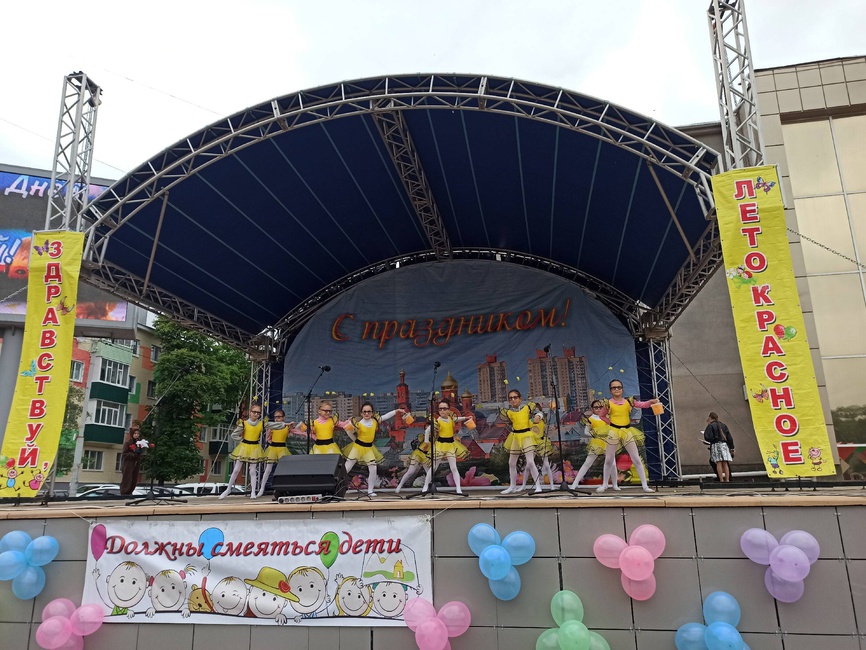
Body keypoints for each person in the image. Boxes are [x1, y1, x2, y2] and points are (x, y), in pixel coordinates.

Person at [598, 380, 658, 493]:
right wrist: (611, 423)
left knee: (636, 458)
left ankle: (645, 486)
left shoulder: (628, 402)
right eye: (614, 388)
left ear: (622, 389)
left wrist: (651, 402)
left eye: (619, 387)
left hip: (627, 431)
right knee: (609, 459)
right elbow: (602, 415)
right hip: (614, 431)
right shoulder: (608, 403)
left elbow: (643, 405)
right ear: (610, 390)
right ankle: (605, 484)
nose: (617, 389)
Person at [343, 402, 404, 497]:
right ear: (361, 413)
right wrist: (355, 440)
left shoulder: (375, 420)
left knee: (373, 468)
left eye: (369, 411)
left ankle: (370, 490)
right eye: (364, 412)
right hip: (358, 447)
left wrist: (397, 411)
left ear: (372, 413)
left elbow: (385, 416)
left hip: (368, 448)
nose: (366, 413)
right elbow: (348, 431)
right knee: (347, 467)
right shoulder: (358, 423)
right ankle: (337, 486)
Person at [420, 399, 472, 494]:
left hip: (451, 444)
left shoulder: (451, 418)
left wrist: (466, 418)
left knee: (454, 467)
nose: (442, 411)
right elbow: (427, 431)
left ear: (448, 410)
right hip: (440, 445)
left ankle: (458, 488)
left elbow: (457, 419)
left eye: (444, 409)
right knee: (434, 467)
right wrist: (426, 442)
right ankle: (425, 486)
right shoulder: (438, 421)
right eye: (440, 409)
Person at [498, 390, 543, 494]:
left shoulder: (527, 408)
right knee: (511, 462)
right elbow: (509, 422)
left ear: (520, 399)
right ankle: (512, 486)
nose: (513, 400)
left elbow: (539, 411)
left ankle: (538, 486)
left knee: (530, 461)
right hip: (515, 436)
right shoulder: (508, 412)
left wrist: (538, 416)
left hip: (526, 435)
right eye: (511, 398)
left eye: (515, 397)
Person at [569, 400, 618, 492]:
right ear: (592, 409)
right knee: (587, 463)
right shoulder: (590, 419)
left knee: (613, 464)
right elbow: (586, 432)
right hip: (596, 443)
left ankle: (615, 484)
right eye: (596, 407)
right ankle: (575, 484)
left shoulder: (607, 417)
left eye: (600, 407)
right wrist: (595, 435)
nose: (599, 409)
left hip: (608, 442)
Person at [220, 404, 264, 499]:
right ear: (250, 412)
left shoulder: (261, 424)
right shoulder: (244, 423)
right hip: (244, 447)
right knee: (236, 469)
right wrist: (241, 440)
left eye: (258, 413)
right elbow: (234, 435)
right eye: (254, 412)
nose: (256, 414)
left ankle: (253, 492)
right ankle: (228, 489)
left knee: (253, 471)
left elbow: (274, 425)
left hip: (255, 448)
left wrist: (285, 425)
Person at [256, 409, 295, 498]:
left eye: (279, 417)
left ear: (283, 418)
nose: (277, 419)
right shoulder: (272, 427)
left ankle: (282, 488)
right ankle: (262, 488)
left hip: (282, 448)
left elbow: (294, 433)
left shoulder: (287, 426)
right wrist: (270, 438)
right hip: (273, 448)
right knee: (268, 469)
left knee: (283, 469)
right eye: (275, 417)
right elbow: (268, 438)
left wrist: (292, 428)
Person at [704, 412, 734, 482]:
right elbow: (729, 437)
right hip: (724, 445)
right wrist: (732, 447)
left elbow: (708, 437)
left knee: (718, 462)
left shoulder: (711, 425)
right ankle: (727, 479)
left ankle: (721, 479)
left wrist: (709, 441)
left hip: (716, 445)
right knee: (725, 463)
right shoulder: (723, 425)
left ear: (710, 418)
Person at [533, 407, 558, 490]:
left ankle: (552, 485)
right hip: (532, 443)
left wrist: (538, 414)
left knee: (546, 465)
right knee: (529, 465)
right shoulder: (529, 421)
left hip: (541, 443)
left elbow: (539, 416)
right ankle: (524, 485)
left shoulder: (541, 418)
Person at [119, 426, 143, 495]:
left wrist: (139, 453)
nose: (136, 435)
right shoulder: (127, 443)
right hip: (128, 464)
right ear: (132, 434)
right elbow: (124, 454)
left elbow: (140, 454)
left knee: (134, 479)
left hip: (136, 463)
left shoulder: (139, 443)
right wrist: (133, 454)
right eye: (135, 433)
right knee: (127, 478)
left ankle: (130, 492)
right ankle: (124, 492)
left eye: (138, 433)